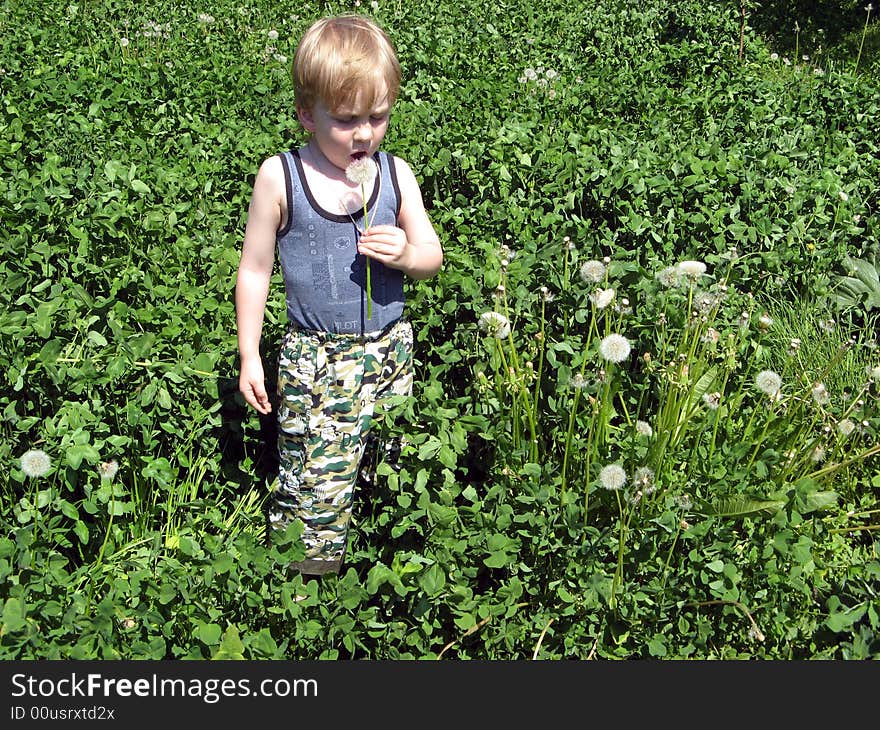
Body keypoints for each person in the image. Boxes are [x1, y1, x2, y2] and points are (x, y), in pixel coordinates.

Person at [234, 13, 443, 576]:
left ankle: (387, 563)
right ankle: (308, 586)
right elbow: (254, 271)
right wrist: (250, 354)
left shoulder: (396, 174)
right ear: (306, 114)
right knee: (315, 479)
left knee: (394, 463)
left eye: (378, 117)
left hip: (391, 349)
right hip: (319, 360)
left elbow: (432, 254)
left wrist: (406, 256)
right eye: (346, 120)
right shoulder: (281, 178)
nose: (364, 135)